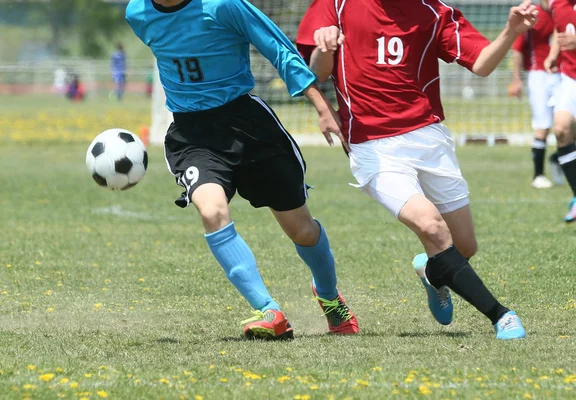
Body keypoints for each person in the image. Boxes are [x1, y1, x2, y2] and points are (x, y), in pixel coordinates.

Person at [297, 0, 538, 339]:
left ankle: (430, 271)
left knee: (463, 247)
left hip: (429, 138)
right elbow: (317, 71)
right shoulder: (336, 5)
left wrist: (510, 31)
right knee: (432, 227)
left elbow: (482, 64)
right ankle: (501, 315)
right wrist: (325, 47)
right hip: (373, 145)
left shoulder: (434, 11)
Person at [125, 0, 359, 340]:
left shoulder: (222, 5)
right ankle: (269, 310)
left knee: (302, 230)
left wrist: (322, 106)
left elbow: (276, 46)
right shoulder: (138, 14)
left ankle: (328, 296)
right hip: (192, 135)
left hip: (250, 128)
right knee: (212, 210)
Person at [508, 2, 562, 189]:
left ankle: (558, 158)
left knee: (568, 125)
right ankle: (538, 175)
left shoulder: (566, 11)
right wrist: (517, 80)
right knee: (543, 127)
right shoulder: (532, 15)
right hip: (539, 76)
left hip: (566, 75)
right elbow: (517, 49)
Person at [545, 0, 576, 222]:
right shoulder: (554, 3)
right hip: (569, 77)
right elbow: (560, 30)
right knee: (562, 129)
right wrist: (553, 54)